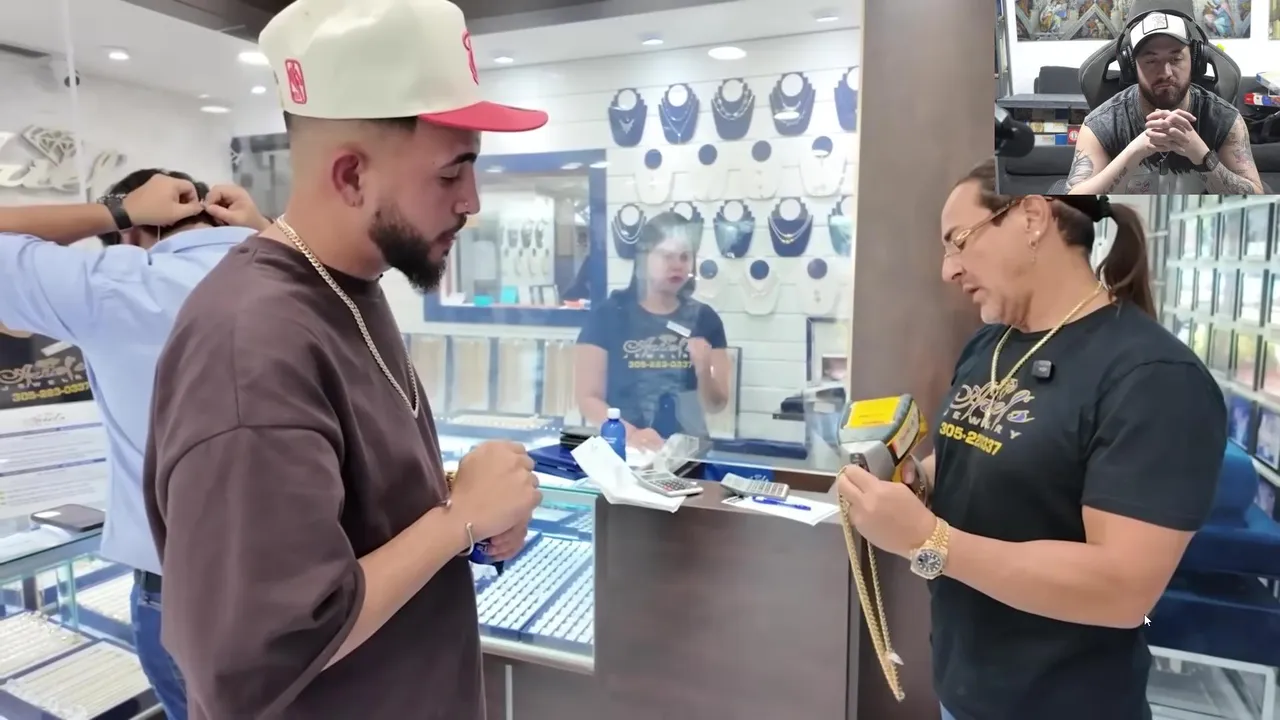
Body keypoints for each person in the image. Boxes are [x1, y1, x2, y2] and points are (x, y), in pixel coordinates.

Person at [142, 1, 546, 717]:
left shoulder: (349, 289)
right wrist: (458, 519)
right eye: (451, 173)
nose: (472, 202)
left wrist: (464, 507)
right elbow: (249, 657)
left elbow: (345, 518)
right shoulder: (250, 344)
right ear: (353, 175)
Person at [838, 160, 1226, 720]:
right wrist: (909, 481)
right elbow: (967, 458)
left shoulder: (1154, 378)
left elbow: (1121, 589)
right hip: (963, 691)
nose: (948, 269)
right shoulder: (989, 346)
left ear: (1032, 217)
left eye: (958, 241)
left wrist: (928, 540)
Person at [0, 169, 268, 719]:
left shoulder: (115, 283)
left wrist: (116, 210)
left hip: (180, 593)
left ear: (133, 232)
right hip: (321, 579)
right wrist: (264, 227)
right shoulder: (307, 278)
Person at [574, 211, 729, 450]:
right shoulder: (608, 314)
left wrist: (703, 370)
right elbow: (588, 398)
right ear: (643, 258)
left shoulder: (705, 318)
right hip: (625, 450)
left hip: (688, 453)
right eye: (667, 256)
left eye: (685, 257)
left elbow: (716, 405)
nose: (677, 265)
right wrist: (632, 435)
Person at [1067, 10, 1263, 195]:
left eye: (1176, 59)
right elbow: (1073, 202)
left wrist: (1203, 157)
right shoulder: (1101, 124)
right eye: (1151, 61)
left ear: (1195, 61)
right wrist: (1134, 152)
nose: (1166, 73)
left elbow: (1256, 196)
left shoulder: (1224, 119)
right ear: (1131, 67)